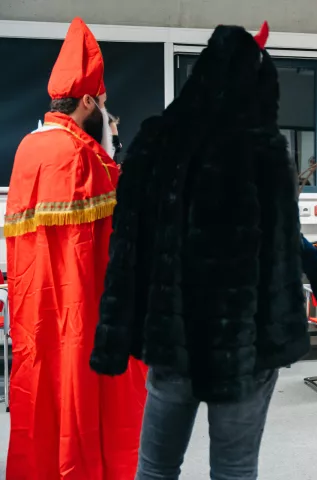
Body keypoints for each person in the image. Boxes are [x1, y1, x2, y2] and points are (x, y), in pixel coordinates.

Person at [89, 22, 317, 480]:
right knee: (234, 469)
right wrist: (299, 302)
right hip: (244, 345)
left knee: (156, 467)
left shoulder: (154, 140)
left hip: (172, 339)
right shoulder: (264, 149)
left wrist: (117, 334)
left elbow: (127, 244)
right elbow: (281, 247)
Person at [3, 17, 148, 480]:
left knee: (41, 392)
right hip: (80, 311)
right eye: (102, 103)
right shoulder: (84, 156)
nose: (105, 110)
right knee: (86, 396)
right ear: (87, 100)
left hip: (35, 315)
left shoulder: (27, 149)